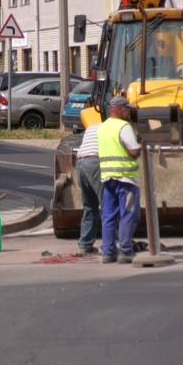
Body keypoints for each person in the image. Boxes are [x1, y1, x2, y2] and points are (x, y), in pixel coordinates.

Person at [98, 96, 141, 264]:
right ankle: (126, 250)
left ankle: (108, 253)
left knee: (108, 216)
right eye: (127, 108)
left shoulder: (103, 127)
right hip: (126, 180)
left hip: (108, 179)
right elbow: (133, 152)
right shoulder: (124, 127)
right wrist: (140, 146)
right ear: (119, 109)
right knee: (128, 214)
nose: (129, 111)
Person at [75, 123, 102, 255]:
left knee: (89, 206)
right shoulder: (114, 127)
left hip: (80, 163)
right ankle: (111, 245)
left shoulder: (91, 127)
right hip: (95, 163)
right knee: (109, 206)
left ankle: (84, 245)